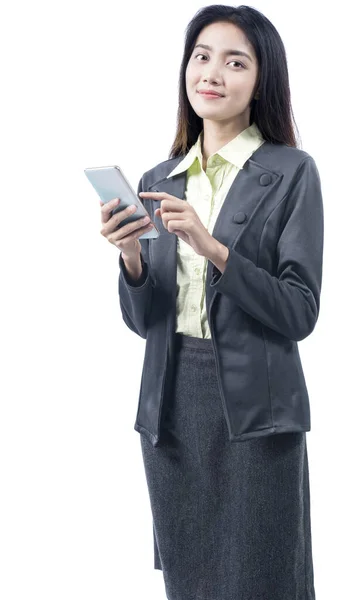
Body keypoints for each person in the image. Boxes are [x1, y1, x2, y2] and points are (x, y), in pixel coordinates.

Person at [100, 5, 323, 599]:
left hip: (256, 411)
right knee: (190, 580)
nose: (212, 73)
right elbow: (143, 321)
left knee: (264, 578)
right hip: (172, 407)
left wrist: (213, 246)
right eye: (202, 57)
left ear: (261, 80)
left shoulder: (291, 171)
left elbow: (299, 311)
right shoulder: (160, 179)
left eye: (235, 61)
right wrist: (131, 259)